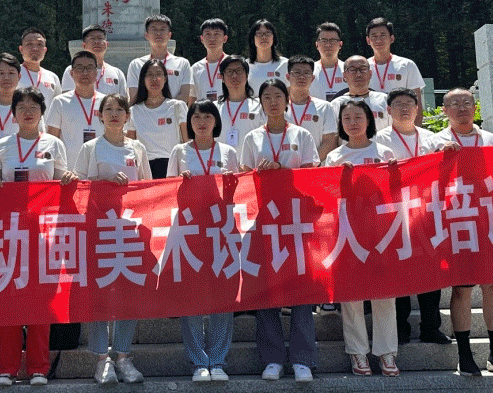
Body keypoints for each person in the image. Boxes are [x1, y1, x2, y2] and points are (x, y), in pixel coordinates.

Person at [0, 88, 78, 387]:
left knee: (41, 301)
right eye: (21, 107)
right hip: (9, 233)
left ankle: (38, 367)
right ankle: (7, 368)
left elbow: (61, 182)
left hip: (43, 234)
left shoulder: (54, 144)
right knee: (7, 300)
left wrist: (68, 179)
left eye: (33, 107)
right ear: (13, 113)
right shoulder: (2, 145)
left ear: (42, 113)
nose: (27, 112)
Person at [238, 79, 318, 383]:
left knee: (301, 289)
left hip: (296, 219)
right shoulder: (252, 138)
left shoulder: (302, 134)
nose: (273, 102)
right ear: (260, 103)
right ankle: (272, 358)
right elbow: (244, 178)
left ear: (287, 101)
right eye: (267, 97)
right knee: (266, 289)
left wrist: (283, 173)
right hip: (264, 219)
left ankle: (302, 359)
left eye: (278, 96)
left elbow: (313, 175)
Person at [430, 88, 493, 376]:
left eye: (467, 102)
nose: (461, 108)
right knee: (462, 288)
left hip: (488, 219)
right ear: (444, 110)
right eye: (455, 104)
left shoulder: (491, 139)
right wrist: (440, 157)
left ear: (476, 107)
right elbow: (423, 179)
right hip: (457, 220)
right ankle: (464, 355)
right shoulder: (435, 141)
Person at [74, 94, 151, 385]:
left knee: (128, 291)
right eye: (109, 109)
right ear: (100, 116)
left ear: (128, 116)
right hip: (99, 227)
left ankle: (122, 355)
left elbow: (147, 188)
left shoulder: (138, 148)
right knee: (99, 292)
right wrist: (104, 184)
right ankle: (101, 359)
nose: (115, 114)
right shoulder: (90, 147)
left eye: (120, 109)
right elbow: (78, 186)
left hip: (129, 228)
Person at [324, 100, 400, 377]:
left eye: (358, 116)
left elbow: (396, 190)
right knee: (352, 294)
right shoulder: (335, 156)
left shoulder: (384, 151)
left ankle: (387, 352)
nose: (353, 122)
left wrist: (394, 171)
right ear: (340, 124)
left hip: (380, 230)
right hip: (347, 230)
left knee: (385, 293)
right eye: (347, 118)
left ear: (369, 120)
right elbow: (326, 194)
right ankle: (357, 352)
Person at [373, 88, 451, 346]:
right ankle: (400, 328)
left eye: (409, 104)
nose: (404, 108)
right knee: (399, 271)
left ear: (417, 109)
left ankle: (431, 326)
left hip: (427, 212)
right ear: (388, 110)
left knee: (431, 271)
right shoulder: (379, 140)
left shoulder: (432, 138)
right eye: (398, 104)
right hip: (395, 214)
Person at [167, 99, 237, 383]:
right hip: (190, 231)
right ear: (189, 122)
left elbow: (238, 195)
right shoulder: (179, 151)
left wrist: (230, 186)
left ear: (216, 121)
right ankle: (199, 361)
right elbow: (166, 193)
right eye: (196, 117)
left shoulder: (228, 152)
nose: (202, 122)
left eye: (207, 117)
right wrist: (180, 182)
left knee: (223, 297)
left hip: (221, 230)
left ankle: (218, 360)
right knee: (192, 297)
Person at [126, 58, 188, 179]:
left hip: (172, 168)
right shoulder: (134, 111)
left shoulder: (177, 106)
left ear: (165, 79)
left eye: (159, 74)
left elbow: (187, 143)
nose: (154, 79)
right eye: (149, 75)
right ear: (143, 80)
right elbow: (131, 147)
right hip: (145, 170)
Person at [46, 51, 105, 173]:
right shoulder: (60, 102)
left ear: (96, 73)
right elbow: (52, 141)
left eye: (89, 68)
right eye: (79, 68)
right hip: (69, 172)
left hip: (101, 170)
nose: (85, 72)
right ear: (71, 73)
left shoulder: (106, 102)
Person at [365, 18, 427, 125]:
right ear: (368, 40)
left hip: (401, 126)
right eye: (374, 36)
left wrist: (416, 129)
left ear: (392, 38)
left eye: (383, 35)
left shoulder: (407, 65)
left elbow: (417, 103)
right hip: (372, 125)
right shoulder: (363, 67)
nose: (378, 40)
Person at [127, 14, 193, 104]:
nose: (158, 33)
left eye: (162, 29)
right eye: (154, 29)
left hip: (174, 111)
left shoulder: (182, 63)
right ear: (146, 35)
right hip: (145, 112)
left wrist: (165, 109)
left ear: (169, 35)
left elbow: (184, 95)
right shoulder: (136, 64)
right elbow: (134, 95)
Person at [285, 54, 339, 159]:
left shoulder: (325, 107)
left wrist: (311, 163)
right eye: (297, 72)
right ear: (288, 76)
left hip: (315, 166)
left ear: (313, 78)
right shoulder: (278, 107)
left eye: (306, 73)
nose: (302, 77)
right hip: (285, 165)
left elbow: (329, 141)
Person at [61, 24, 128, 96]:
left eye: (100, 38)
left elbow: (123, 100)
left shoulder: (117, 73)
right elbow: (67, 99)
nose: (96, 42)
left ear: (107, 44)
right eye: (92, 38)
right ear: (84, 45)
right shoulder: (73, 70)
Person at [330, 55, 391, 129]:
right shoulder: (335, 105)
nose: (358, 74)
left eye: (363, 69)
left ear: (370, 73)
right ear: (344, 75)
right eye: (352, 70)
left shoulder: (385, 100)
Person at [216, 55, 262, 152]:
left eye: (239, 70)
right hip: (223, 161)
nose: (234, 76)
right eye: (229, 71)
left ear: (247, 75)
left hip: (251, 161)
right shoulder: (214, 108)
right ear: (222, 78)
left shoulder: (260, 105)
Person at [18, 27, 63, 104]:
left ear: (45, 50)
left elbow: (58, 106)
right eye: (29, 44)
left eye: (39, 44)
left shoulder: (53, 78)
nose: (35, 48)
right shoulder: (12, 74)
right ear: (21, 49)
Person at [191, 18, 229, 103]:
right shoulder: (195, 68)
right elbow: (192, 99)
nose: (212, 38)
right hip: (203, 111)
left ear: (225, 38)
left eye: (217, 34)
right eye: (208, 34)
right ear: (202, 39)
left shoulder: (232, 64)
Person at [247, 19, 288, 96]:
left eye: (268, 33)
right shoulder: (245, 66)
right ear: (253, 38)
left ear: (273, 37)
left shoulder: (285, 64)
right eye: (259, 33)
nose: (264, 37)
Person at [310, 23, 346, 102]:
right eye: (324, 40)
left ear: (340, 44)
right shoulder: (309, 71)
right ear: (317, 44)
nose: (328, 44)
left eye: (333, 40)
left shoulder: (349, 69)